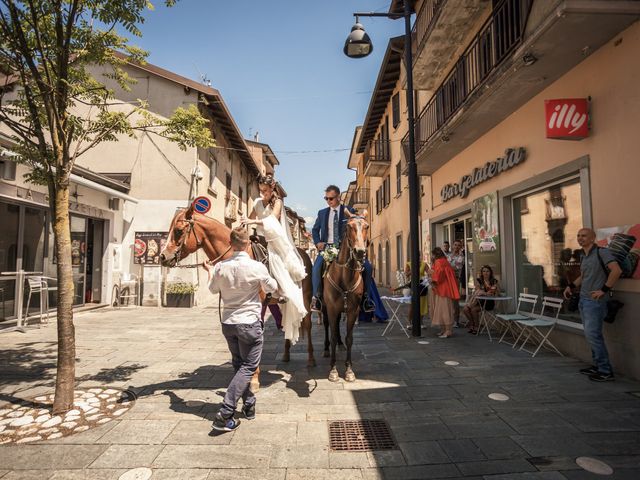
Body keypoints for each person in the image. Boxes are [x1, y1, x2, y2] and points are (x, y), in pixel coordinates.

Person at [203, 227, 277, 432]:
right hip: (249, 322)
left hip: (228, 323)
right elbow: (272, 288)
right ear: (248, 244)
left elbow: (212, 289)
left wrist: (210, 271)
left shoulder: (220, 267)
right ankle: (225, 412)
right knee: (248, 367)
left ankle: (249, 405)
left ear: (230, 243)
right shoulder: (256, 266)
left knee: (238, 364)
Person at [241, 174, 307, 344]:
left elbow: (272, 221)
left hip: (275, 240)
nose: (262, 194)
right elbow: (250, 218)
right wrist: (243, 224)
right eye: (260, 190)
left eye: (265, 191)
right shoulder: (256, 202)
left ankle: (282, 292)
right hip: (260, 239)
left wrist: (252, 221)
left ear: (272, 189)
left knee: (276, 261)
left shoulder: (278, 202)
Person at [564, 227, 622, 382]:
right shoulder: (584, 256)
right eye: (578, 235)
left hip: (595, 302)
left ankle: (605, 371)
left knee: (593, 335)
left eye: (584, 236)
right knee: (591, 336)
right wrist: (571, 286)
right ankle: (597, 365)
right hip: (583, 300)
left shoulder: (601, 252)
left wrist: (603, 290)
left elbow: (616, 271)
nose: (580, 238)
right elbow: (583, 276)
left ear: (592, 238)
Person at [310, 184, 374, 313]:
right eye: (326, 198)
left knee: (367, 267)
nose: (329, 201)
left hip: (347, 249)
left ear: (338, 197)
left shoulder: (349, 210)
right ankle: (316, 298)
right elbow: (315, 230)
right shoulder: (322, 213)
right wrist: (318, 243)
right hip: (327, 247)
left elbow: (358, 227)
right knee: (316, 268)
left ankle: (366, 298)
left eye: (331, 198)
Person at [428, 247, 460, 338]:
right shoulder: (444, 261)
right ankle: (444, 330)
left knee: (444, 309)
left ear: (435, 254)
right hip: (445, 288)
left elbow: (438, 275)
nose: (432, 256)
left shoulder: (439, 262)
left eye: (432, 254)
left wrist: (431, 275)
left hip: (442, 289)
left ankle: (448, 330)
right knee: (443, 309)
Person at [463, 265, 500, 334]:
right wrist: (485, 293)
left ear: (490, 272)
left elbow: (498, 292)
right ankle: (472, 324)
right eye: (484, 271)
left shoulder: (494, 281)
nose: (485, 273)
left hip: (489, 302)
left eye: (487, 271)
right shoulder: (479, 281)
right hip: (479, 301)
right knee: (465, 309)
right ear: (482, 273)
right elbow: (477, 290)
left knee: (473, 310)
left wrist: (496, 289)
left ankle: (477, 326)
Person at [358, 259, 389, 323]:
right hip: (368, 283)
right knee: (373, 299)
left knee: (371, 299)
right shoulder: (366, 262)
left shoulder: (364, 263)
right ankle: (373, 316)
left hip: (366, 283)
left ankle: (375, 316)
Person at [403, 258, 429, 328]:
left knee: (422, 304)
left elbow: (429, 272)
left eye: (419, 255)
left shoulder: (424, 264)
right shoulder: (409, 264)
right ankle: (409, 322)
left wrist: (427, 278)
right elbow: (406, 274)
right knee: (412, 304)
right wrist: (412, 270)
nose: (418, 257)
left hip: (422, 285)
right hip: (413, 284)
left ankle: (421, 322)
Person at [448, 240, 465, 327]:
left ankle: (456, 321)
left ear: (461, 247)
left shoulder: (461, 256)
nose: (457, 247)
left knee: (455, 301)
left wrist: (447, 267)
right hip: (447, 280)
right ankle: (449, 319)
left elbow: (456, 267)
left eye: (459, 245)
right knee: (448, 300)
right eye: (455, 245)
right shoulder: (449, 256)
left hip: (455, 279)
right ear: (452, 246)